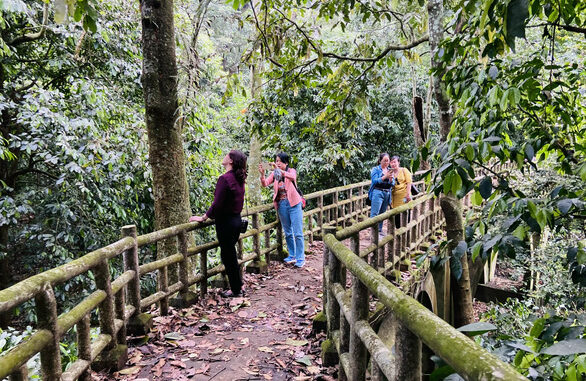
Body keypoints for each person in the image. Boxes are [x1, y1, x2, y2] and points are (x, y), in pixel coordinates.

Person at [190, 150, 247, 297]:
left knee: (228, 256)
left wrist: (204, 217)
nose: (224, 156)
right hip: (236, 220)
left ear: (231, 161)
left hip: (226, 223)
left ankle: (236, 290)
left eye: (227, 155)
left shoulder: (225, 179)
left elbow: (217, 204)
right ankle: (238, 286)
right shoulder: (238, 178)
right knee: (230, 255)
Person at [259, 152, 305, 268]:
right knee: (288, 232)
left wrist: (279, 171)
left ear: (286, 162)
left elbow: (293, 177)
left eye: (280, 161)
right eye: (276, 161)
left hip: (294, 204)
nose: (277, 163)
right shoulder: (275, 174)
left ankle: (300, 258)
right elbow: (265, 184)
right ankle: (292, 255)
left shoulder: (291, 171)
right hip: (282, 205)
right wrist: (262, 174)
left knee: (298, 233)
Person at [368, 153, 394, 234]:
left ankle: (379, 230)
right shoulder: (375, 169)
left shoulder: (390, 170)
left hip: (387, 193)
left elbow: (392, 184)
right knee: (375, 213)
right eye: (384, 161)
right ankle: (372, 232)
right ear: (380, 161)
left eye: (388, 161)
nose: (386, 163)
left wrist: (390, 179)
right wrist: (385, 176)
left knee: (382, 213)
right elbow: (374, 181)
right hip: (377, 192)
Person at [389, 155, 413, 228]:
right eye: (392, 162)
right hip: (395, 198)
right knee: (396, 216)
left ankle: (406, 230)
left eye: (395, 162)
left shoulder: (404, 170)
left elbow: (409, 182)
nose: (393, 164)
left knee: (405, 212)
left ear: (398, 162)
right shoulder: (390, 172)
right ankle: (398, 231)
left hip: (404, 196)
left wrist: (408, 194)